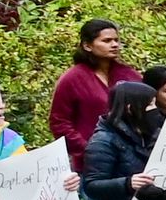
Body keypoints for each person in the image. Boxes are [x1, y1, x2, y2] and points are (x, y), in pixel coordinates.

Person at [47, 20, 128, 155]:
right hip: (90, 161)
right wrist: (87, 148)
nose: (114, 45)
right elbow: (59, 122)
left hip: (129, 159)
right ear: (87, 46)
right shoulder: (72, 79)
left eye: (116, 40)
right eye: (107, 41)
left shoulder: (129, 75)